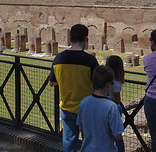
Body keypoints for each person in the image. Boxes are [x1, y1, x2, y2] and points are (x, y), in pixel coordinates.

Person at [48, 24, 99, 152]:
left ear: (70, 39)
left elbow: (52, 83)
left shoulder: (58, 58)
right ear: (85, 39)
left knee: (69, 142)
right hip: (86, 109)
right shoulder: (90, 60)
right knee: (89, 142)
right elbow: (98, 84)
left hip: (66, 107)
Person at [77, 65, 124, 152]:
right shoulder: (111, 107)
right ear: (108, 85)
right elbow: (118, 135)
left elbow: (81, 128)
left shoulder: (84, 102)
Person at [106, 55, 125, 152]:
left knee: (112, 135)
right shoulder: (115, 82)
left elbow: (117, 100)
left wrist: (104, 98)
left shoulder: (109, 81)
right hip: (113, 109)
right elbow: (117, 100)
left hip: (111, 109)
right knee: (115, 135)